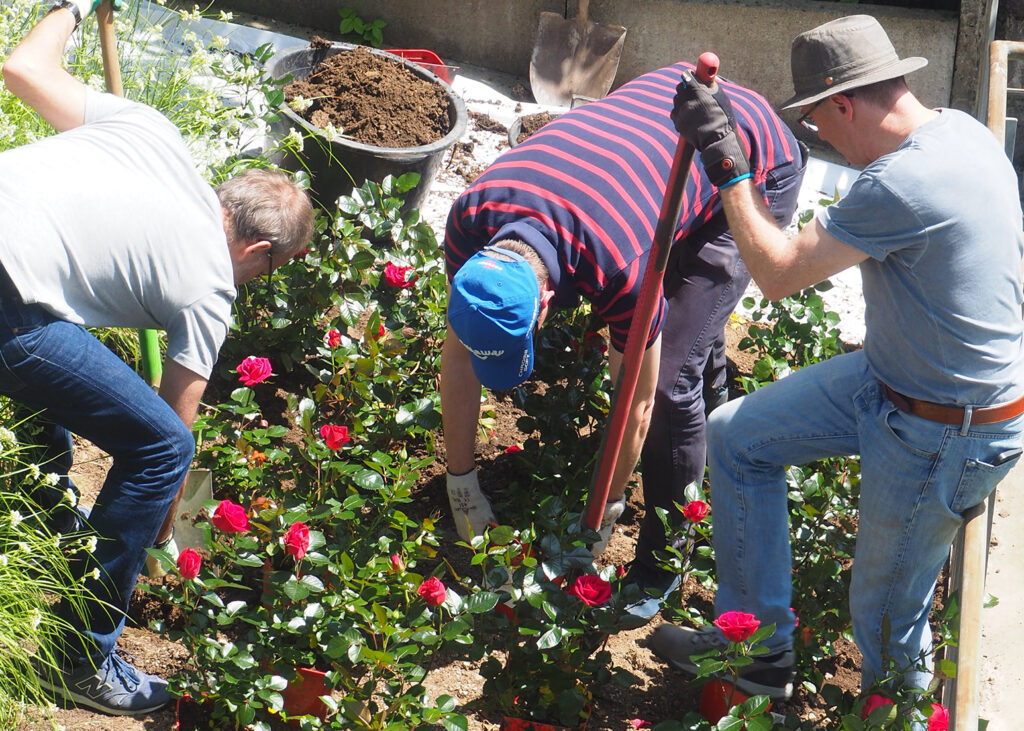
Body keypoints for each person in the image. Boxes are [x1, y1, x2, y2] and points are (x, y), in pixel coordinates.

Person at [650, 14, 1024, 701]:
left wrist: (727, 162)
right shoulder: (962, 132)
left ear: (845, 104)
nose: (823, 138)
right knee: (737, 436)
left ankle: (899, 718)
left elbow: (777, 269)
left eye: (820, 121)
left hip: (946, 429)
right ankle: (758, 655)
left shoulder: (901, 183)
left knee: (883, 619)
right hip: (901, 378)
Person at [0, 0, 313, 715]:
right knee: (160, 446)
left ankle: (52, 529)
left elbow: (21, 68)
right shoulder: (210, 280)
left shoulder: (151, 132)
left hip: (14, 267)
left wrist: (74, 5)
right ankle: (80, 658)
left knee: (61, 355)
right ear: (259, 251)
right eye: (270, 271)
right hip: (5, 297)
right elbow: (173, 433)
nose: (257, 283)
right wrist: (175, 535)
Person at [440, 61, 805, 620]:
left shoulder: (620, 265)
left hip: (744, 149)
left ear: (544, 304)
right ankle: (714, 416)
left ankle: (664, 560)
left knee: (670, 380)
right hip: (653, 134)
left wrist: (602, 516)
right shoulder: (470, 218)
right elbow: (460, 354)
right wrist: (461, 484)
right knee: (688, 329)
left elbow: (635, 401)